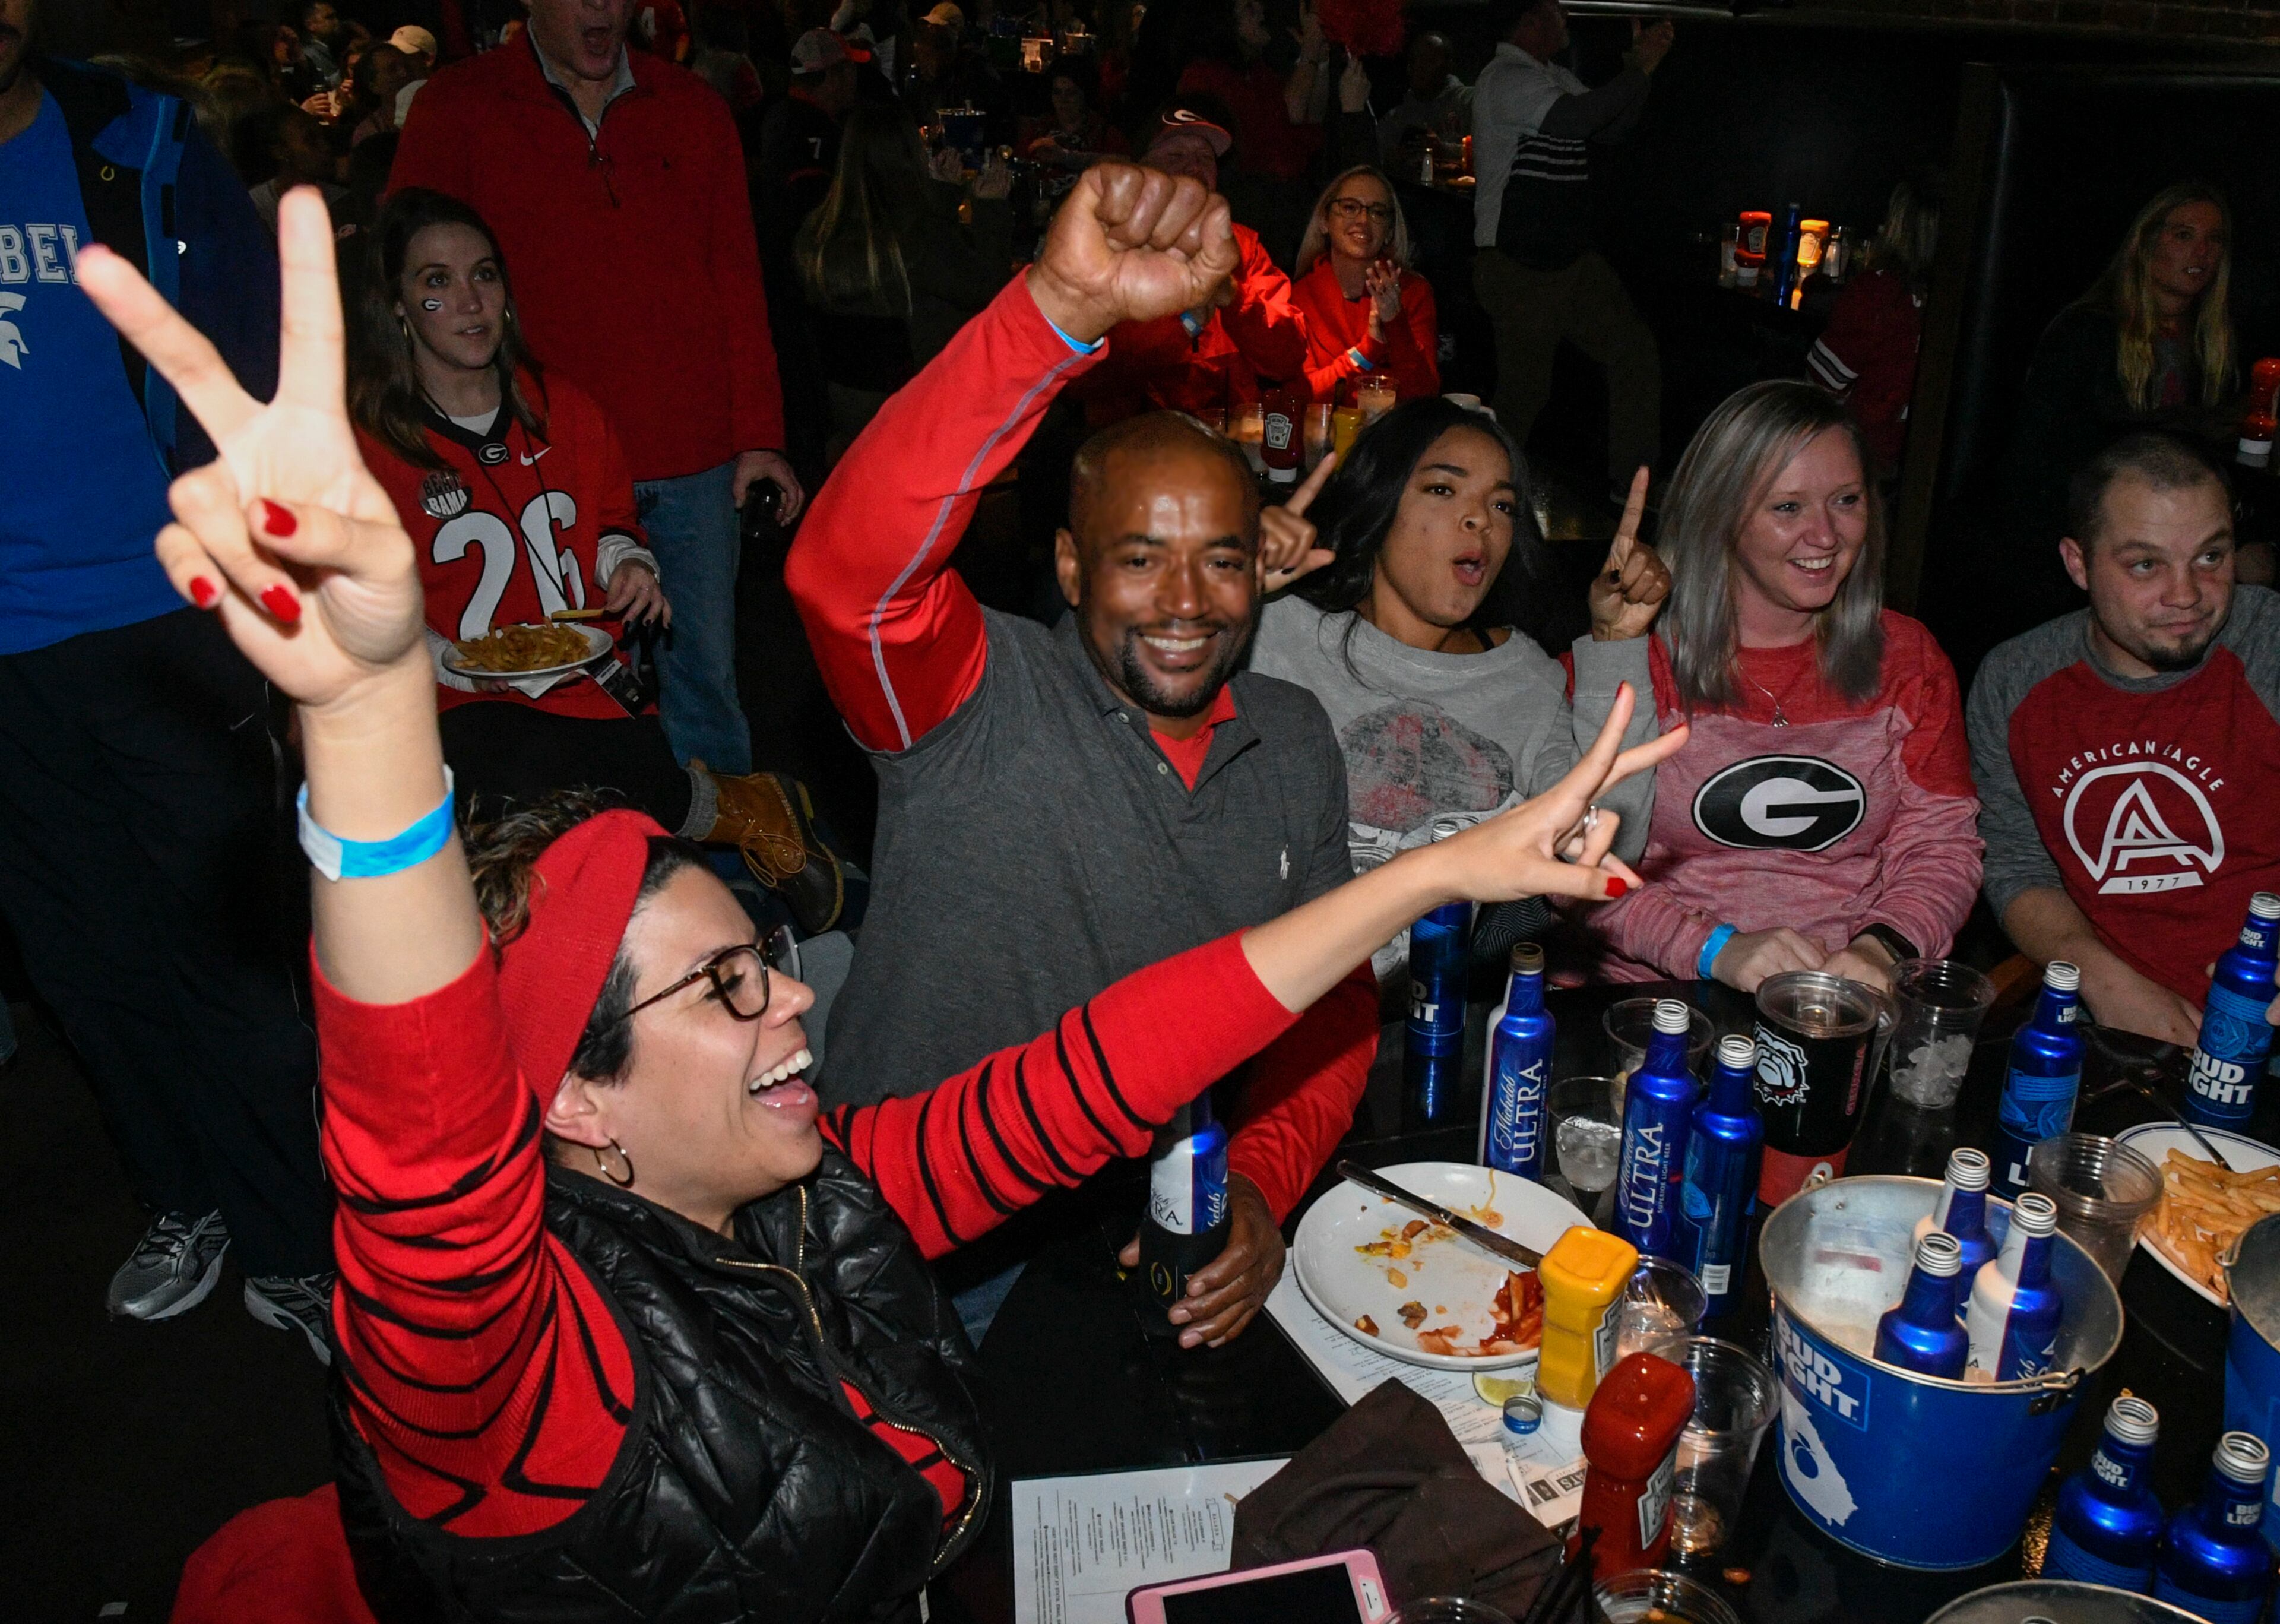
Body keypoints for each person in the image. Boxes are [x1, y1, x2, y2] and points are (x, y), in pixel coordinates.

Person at [104, 180, 1676, 1624]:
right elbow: (424, 1125)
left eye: (762, 958)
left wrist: (1438, 874)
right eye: (722, 991)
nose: (798, 993)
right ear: (574, 1100)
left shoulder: (832, 1193)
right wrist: (374, 705)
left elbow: (1107, 1061)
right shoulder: (504, 1369)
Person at [787, 160, 1414, 1349]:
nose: (1186, 601)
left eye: (1222, 560)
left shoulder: (1290, 738)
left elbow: (1330, 996)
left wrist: (1266, 1189)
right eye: (1139, 559)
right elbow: (842, 576)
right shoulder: (978, 695)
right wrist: (1055, 315)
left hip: (1148, 1247)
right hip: (907, 1263)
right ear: (1073, 571)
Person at [0, 17, 338, 1354]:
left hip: (165, 611)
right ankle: (183, 1194)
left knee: (232, 949)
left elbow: (255, 359)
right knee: (84, 958)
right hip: (7, 658)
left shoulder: (139, 139)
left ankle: (290, 1232)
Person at [350, 188, 848, 929]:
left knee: (611, 826)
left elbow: (609, 522)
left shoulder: (567, 409)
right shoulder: (372, 444)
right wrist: (448, 660)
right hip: (460, 701)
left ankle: (738, 811)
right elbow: (365, 611)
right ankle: (722, 808)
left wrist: (629, 566)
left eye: (484, 276)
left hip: (589, 678)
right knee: (514, 782)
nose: (469, 302)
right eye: (437, 283)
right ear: (397, 306)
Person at [390, 0, 804, 782]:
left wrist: (759, 436)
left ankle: (729, 873)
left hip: (691, 457)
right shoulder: (457, 107)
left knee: (704, 681)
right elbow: (409, 275)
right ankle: (592, 874)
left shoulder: (692, 107)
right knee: (545, 688)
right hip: (538, 461)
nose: (604, 10)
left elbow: (739, 284)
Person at [1577, 380, 1983, 993]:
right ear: (1721, 515)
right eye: (1787, 507)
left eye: (1846, 500)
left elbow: (1942, 846)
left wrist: (1880, 949)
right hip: (1653, 999)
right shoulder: (1634, 653)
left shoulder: (1908, 659)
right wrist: (1716, 949)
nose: (1826, 536)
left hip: (1837, 998)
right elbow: (1571, 865)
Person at [1250, 401, 1669, 964]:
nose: (1481, 520)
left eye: (1502, 504)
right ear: (1380, 501)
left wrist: (1616, 642)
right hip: (1261, 997)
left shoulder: (1525, 681)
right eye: (1444, 491)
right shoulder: (1272, 632)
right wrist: (1223, 585)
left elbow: (1605, 843)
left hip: (1428, 1019)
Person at [1969, 433, 2280, 1045]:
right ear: (2078, 562)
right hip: (2107, 1021)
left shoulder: (2268, 643)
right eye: (2146, 564)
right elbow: (2014, 862)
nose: (2186, 594)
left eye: (2211, 558)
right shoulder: (2016, 680)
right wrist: (2105, 980)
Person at [1994, 182, 2238, 638]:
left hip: (2179, 551)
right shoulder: (2087, 333)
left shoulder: (2214, 345)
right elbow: (2043, 461)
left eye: (2215, 240)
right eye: (2184, 234)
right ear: (2146, 243)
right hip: (2081, 556)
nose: (2201, 252)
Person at [1471, 0, 1668, 502]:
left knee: (1634, 352)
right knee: (1523, 396)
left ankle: (1632, 491)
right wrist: (1638, 68)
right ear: (1529, 19)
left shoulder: (1550, 74)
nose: (1567, 19)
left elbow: (1612, 127)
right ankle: (1481, 497)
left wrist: (1638, 74)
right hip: (1519, 265)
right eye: (1557, 11)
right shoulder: (1506, 77)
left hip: (1569, 262)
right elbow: (1579, 119)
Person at [795, 100, 1016, 456]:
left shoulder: (817, 234)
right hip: (920, 419)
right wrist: (991, 208)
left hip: (846, 417)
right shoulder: (916, 245)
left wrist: (941, 196)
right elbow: (990, 292)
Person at [1071, 108, 1307, 426]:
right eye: (1177, 155)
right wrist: (1184, 325)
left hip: (1230, 446)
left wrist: (1234, 297)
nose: (1195, 165)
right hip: (1132, 447)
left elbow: (1288, 357)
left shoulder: (1242, 245)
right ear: (1142, 168)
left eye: (1205, 158)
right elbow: (1082, 379)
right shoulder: (1105, 246)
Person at [1806, 174, 1940, 483]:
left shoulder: (1877, 294)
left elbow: (1821, 385)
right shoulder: (1954, 301)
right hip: (1915, 469)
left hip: (1863, 461)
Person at [1289, 164, 1437, 406]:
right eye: (1349, 208)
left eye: (1377, 213)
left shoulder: (1413, 291)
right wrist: (1368, 350)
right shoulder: (1300, 295)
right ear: (1325, 221)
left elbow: (1424, 397)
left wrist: (1395, 322)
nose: (1363, 220)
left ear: (1389, 232)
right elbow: (1303, 396)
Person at [756, 26, 863, 260]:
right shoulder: (810, 129)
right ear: (832, 77)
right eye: (851, 68)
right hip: (808, 267)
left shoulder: (779, 115)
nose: (857, 76)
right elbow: (814, 211)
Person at [240, 103, 344, 231]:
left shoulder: (342, 202)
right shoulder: (254, 207)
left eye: (323, 136)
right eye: (311, 140)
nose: (326, 147)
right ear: (280, 151)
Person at [1377, 29, 1469, 174]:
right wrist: (1392, 160)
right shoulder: (1394, 120)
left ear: (1449, 65)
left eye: (1429, 60)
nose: (1419, 67)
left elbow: (1492, 151)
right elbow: (1375, 162)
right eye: (1414, 60)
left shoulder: (1470, 103)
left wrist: (1443, 149)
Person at [1017, 53, 1128, 170]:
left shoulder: (1105, 135)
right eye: (1057, 92)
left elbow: (1124, 167)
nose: (1063, 100)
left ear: (1085, 95)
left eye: (1071, 93)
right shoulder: (1039, 131)